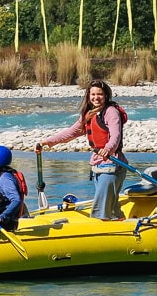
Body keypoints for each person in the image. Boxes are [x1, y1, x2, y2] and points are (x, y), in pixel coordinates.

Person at [36, 79, 129, 220]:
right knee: (112, 205)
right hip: (98, 165)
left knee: (101, 207)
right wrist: (47, 142)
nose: (96, 97)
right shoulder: (88, 114)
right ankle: (121, 223)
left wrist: (108, 149)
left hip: (113, 165)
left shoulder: (111, 112)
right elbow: (71, 133)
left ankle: (99, 229)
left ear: (106, 96)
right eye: (93, 94)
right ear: (88, 96)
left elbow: (115, 136)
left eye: (100, 94)